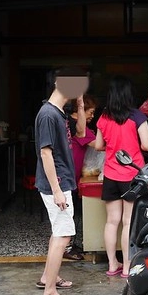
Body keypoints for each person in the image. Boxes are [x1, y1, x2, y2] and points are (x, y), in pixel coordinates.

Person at [34, 68, 87, 295]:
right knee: (64, 235)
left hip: (62, 181)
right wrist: (56, 190)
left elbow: (82, 133)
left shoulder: (59, 112)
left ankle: (48, 278)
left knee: (59, 232)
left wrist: (80, 104)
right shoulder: (47, 114)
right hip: (57, 183)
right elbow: (45, 153)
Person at [93, 76, 148, 277]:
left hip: (110, 174)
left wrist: (114, 146)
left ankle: (112, 264)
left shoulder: (104, 117)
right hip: (132, 176)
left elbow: (99, 145)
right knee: (128, 222)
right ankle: (127, 267)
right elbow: (147, 146)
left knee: (112, 221)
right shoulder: (137, 116)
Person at [61, 94, 98, 261]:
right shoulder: (78, 126)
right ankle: (66, 247)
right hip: (69, 173)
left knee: (69, 210)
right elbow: (98, 145)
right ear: (80, 110)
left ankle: (69, 244)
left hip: (68, 172)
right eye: (91, 112)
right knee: (68, 212)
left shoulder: (66, 121)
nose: (92, 116)